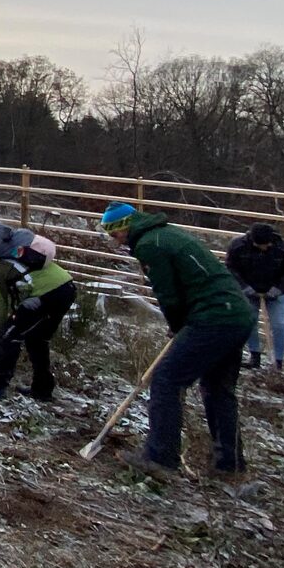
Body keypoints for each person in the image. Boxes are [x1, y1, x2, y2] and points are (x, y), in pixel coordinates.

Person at [100, 203, 255, 477]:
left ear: (125, 226)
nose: (116, 240)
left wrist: (176, 325)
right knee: (218, 388)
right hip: (237, 314)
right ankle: (229, 464)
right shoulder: (165, 233)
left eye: (115, 233)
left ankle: (161, 457)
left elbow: (168, 294)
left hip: (213, 316)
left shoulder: (150, 244)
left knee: (167, 379)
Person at [0, 223, 77, 399]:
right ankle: (42, 389)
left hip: (47, 294)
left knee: (9, 336)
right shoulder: (4, 256)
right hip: (65, 286)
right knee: (37, 339)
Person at [226, 223, 284, 371]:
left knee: (279, 324)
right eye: (260, 245)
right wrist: (244, 287)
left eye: (267, 245)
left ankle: (278, 362)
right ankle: (254, 356)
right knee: (249, 321)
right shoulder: (237, 246)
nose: (264, 248)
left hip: (276, 291)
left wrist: (279, 288)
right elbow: (231, 267)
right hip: (248, 290)